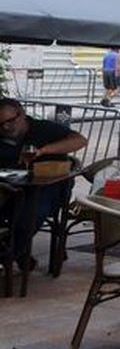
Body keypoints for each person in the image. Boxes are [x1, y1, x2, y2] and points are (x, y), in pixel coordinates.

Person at [0, 99, 88, 272]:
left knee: (29, 214)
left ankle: (8, 256)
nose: (6, 128)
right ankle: (18, 253)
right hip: (10, 189)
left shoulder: (43, 129)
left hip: (49, 187)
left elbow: (80, 141)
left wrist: (44, 150)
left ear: (22, 115)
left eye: (10, 121)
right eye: (1, 124)